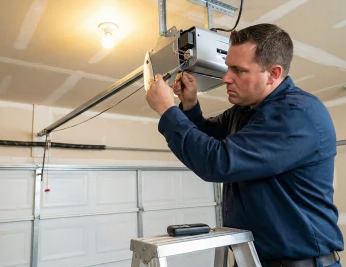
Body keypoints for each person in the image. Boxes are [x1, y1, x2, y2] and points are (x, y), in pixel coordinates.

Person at [145, 23, 344, 267]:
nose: (226, 77)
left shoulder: (296, 114)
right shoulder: (245, 112)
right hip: (252, 259)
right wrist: (189, 105)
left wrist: (166, 110)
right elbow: (208, 137)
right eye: (228, 67)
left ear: (273, 73)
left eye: (238, 70)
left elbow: (218, 161)